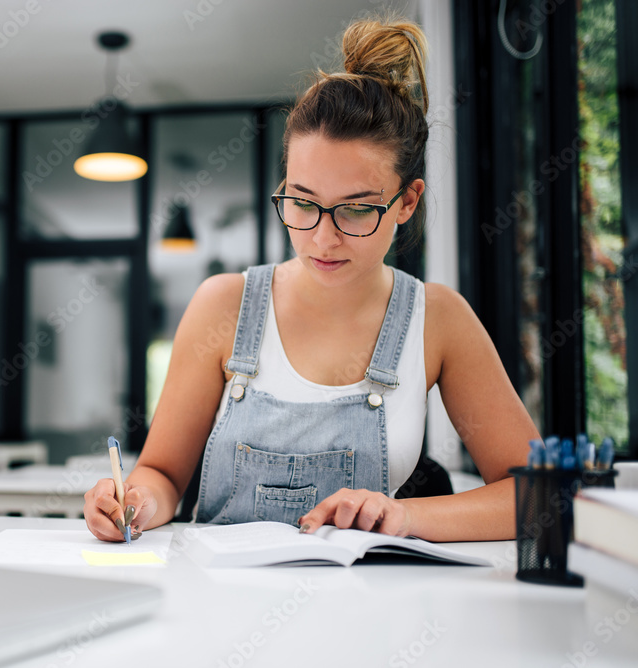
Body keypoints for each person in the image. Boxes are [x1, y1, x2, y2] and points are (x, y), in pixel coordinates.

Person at [84, 16, 540, 543]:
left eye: (355, 211)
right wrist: (135, 502)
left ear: (407, 202)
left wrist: (407, 517)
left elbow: (535, 495)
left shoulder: (437, 319)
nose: (323, 239)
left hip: (364, 610)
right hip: (218, 611)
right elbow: (162, 476)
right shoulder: (224, 306)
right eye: (302, 202)